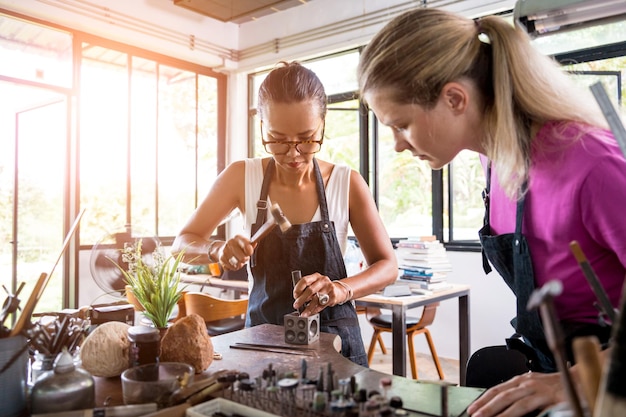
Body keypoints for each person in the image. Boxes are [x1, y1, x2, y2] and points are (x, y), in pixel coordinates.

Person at [357, 7, 626, 417]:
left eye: (401, 125)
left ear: (454, 98)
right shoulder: (496, 161)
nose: (396, 144)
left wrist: (574, 381)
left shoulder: (591, 162)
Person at [172, 61, 398, 366]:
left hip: (336, 346)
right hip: (263, 346)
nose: (293, 154)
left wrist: (340, 289)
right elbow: (181, 245)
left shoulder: (346, 183)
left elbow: (387, 266)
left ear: (323, 124)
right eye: (277, 139)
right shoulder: (241, 177)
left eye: (306, 139)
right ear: (261, 126)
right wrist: (216, 249)